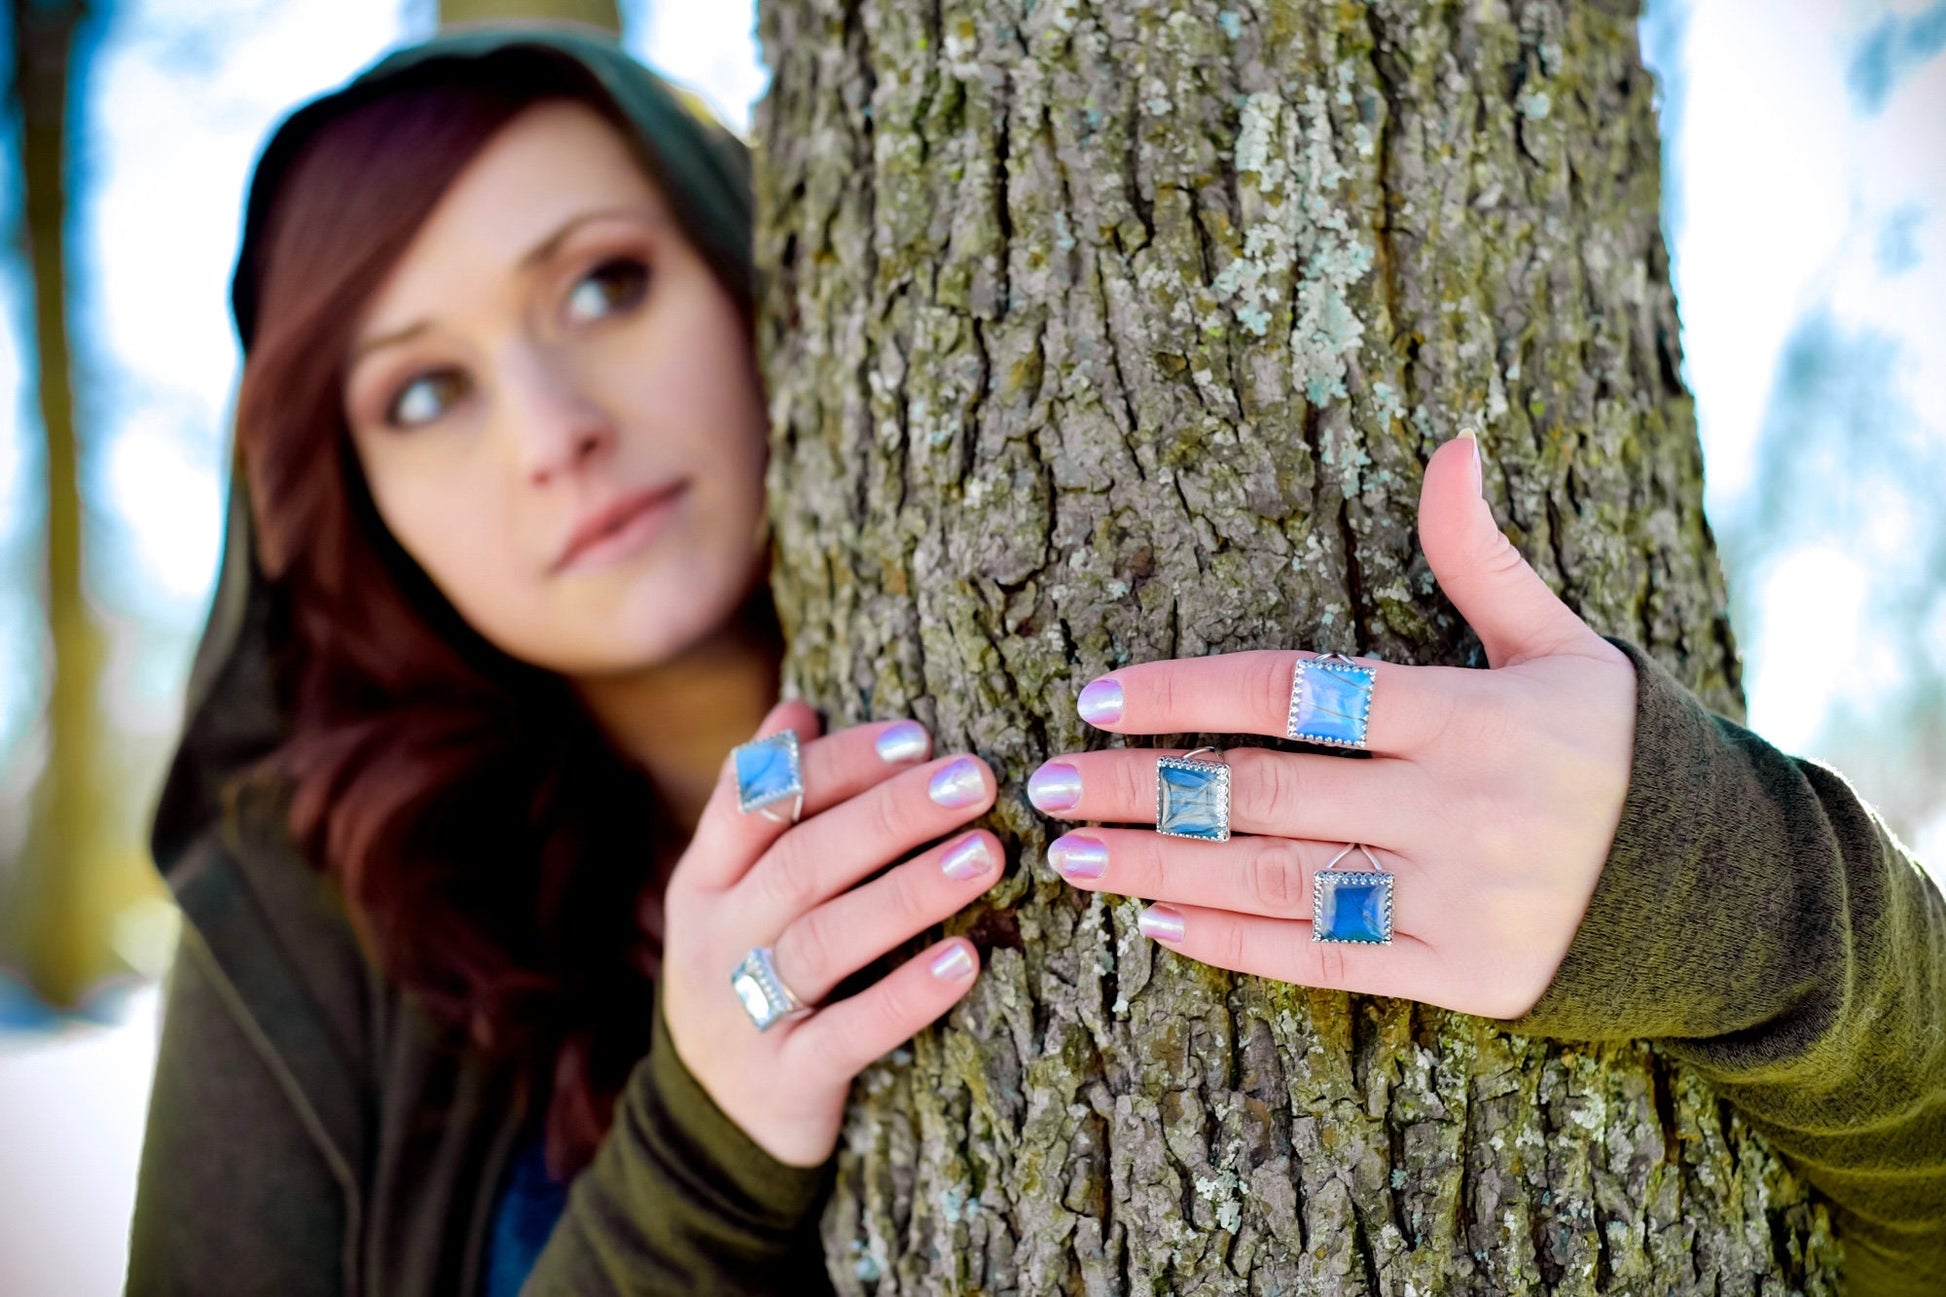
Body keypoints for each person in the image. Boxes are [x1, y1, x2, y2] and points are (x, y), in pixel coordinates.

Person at [125, 17, 1944, 1297]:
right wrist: (696, 1151)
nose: (547, 430)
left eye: (602, 282)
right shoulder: (304, 921)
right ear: (348, 496)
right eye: (422, 390)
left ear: (760, 257)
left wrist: (1728, 889)